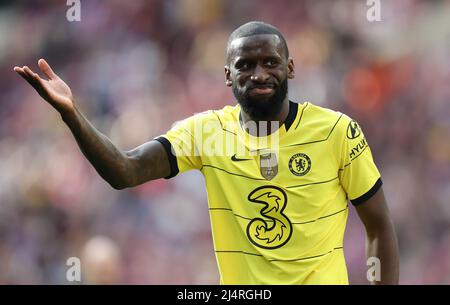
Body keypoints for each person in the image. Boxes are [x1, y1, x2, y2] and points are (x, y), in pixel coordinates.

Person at [14, 21, 399, 284]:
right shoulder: (206, 132)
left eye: (270, 62)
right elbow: (125, 171)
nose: (260, 74)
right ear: (228, 75)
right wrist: (71, 114)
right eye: (245, 65)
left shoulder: (336, 131)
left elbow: (379, 225)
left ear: (291, 68)